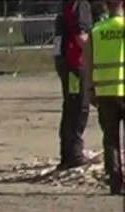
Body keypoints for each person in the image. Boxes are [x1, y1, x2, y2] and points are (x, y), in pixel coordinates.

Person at [85, 0, 125, 195]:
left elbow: (88, 62)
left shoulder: (96, 30)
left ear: (106, 6)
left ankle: (115, 181)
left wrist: (90, 89)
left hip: (105, 93)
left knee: (110, 139)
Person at [56, 0, 95, 169]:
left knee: (71, 105)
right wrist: (96, 53)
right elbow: (82, 36)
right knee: (79, 107)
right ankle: (74, 154)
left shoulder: (67, 4)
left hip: (65, 61)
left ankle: (67, 153)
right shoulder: (80, 4)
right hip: (75, 62)